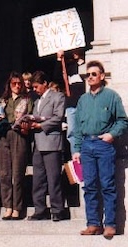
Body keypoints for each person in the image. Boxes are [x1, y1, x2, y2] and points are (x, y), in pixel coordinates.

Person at [72, 60, 128, 239]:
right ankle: (93, 224)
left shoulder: (111, 96)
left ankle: (110, 224)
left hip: (104, 145)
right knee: (89, 186)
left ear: (102, 76)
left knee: (108, 185)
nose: (90, 78)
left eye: (93, 74)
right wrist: (77, 148)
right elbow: (77, 127)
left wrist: (112, 134)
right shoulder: (83, 99)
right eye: (87, 75)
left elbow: (122, 120)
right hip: (87, 145)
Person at [27, 71, 66, 222]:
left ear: (45, 84)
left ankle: (57, 209)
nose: (35, 89)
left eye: (37, 86)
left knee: (53, 178)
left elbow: (58, 117)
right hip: (37, 143)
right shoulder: (37, 102)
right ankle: (40, 209)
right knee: (38, 179)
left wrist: (40, 125)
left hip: (51, 142)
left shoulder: (58, 96)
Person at [0, 71, 33, 220]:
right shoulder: (2, 100)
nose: (17, 86)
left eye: (19, 84)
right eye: (14, 83)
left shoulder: (26, 100)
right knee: (4, 173)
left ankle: (17, 207)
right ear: (9, 85)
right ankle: (7, 206)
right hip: (4, 136)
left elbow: (29, 117)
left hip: (19, 135)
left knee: (18, 173)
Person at [53, 49, 85, 157]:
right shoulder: (67, 66)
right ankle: (75, 156)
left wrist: (80, 60)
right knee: (72, 133)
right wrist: (59, 58)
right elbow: (56, 77)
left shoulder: (86, 65)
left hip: (84, 104)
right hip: (72, 105)